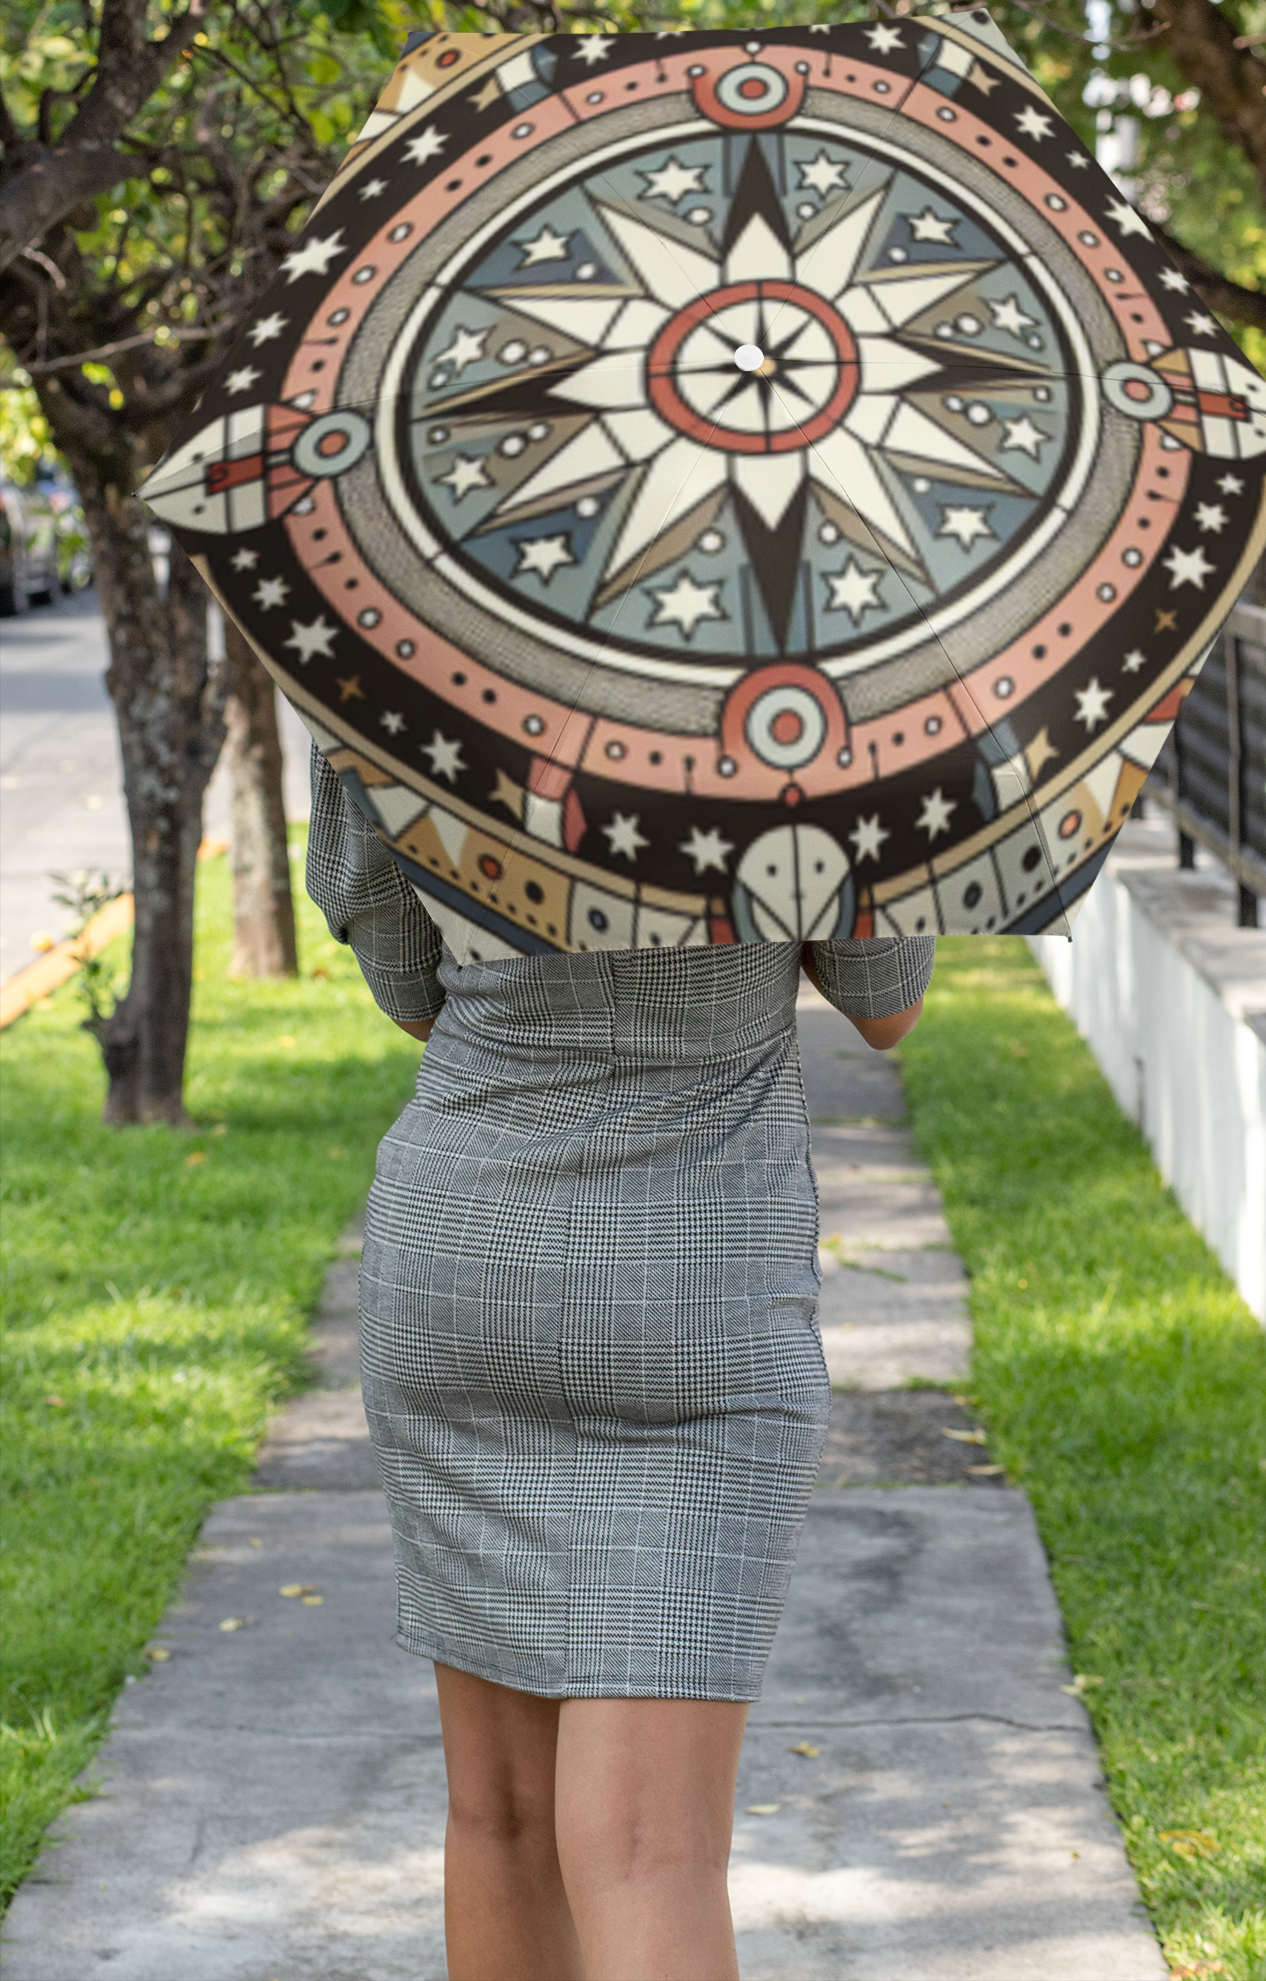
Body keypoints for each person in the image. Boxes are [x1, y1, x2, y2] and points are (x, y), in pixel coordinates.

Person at [306, 745, 933, 1981]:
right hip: (691, 1283)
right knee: (652, 1852)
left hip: (459, 1260)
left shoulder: (398, 638)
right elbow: (885, 999)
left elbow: (406, 982)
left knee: (503, 1821)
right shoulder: (808, 690)